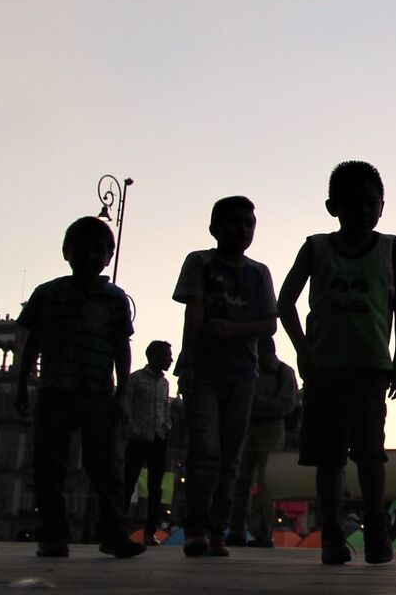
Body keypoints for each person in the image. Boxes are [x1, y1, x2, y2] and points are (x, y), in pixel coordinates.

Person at [278, 161, 396, 566]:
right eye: (354, 203)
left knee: (371, 452)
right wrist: (303, 349)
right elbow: (285, 302)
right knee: (329, 457)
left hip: (371, 367)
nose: (364, 210)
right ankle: (332, 535)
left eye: (372, 202)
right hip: (325, 370)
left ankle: (376, 530)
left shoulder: (391, 248)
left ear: (383, 206)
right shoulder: (316, 247)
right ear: (332, 206)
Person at [15, 217, 146, 559]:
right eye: (80, 248)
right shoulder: (47, 294)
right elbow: (32, 343)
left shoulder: (114, 298)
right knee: (50, 466)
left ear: (108, 256)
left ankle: (113, 532)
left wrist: (122, 394)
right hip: (53, 392)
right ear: (66, 252)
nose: (88, 255)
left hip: (97, 394)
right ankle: (53, 535)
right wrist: (21, 385)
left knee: (106, 466)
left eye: (97, 249)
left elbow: (122, 346)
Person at [171, 195, 278, 558]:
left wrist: (232, 329)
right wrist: (187, 363)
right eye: (233, 222)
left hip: (242, 375)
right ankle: (197, 527)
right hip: (203, 372)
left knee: (230, 456)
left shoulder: (259, 272)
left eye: (248, 223)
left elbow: (269, 324)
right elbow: (193, 315)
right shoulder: (199, 263)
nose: (241, 229)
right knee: (205, 451)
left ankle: (217, 529)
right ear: (214, 228)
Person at [228, 340, 299, 548]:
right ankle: (237, 531)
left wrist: (257, 400)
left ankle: (264, 533)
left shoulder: (284, 372)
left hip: (272, 427)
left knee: (266, 482)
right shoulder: (250, 369)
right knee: (242, 480)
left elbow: (288, 404)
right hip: (250, 426)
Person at [122, 340, 174, 546]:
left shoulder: (165, 383)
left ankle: (150, 532)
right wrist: (133, 430)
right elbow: (126, 404)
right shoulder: (135, 379)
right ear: (153, 357)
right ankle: (119, 527)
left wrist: (167, 425)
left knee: (156, 487)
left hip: (158, 438)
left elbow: (165, 407)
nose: (170, 359)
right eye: (167, 355)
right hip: (139, 438)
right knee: (129, 482)